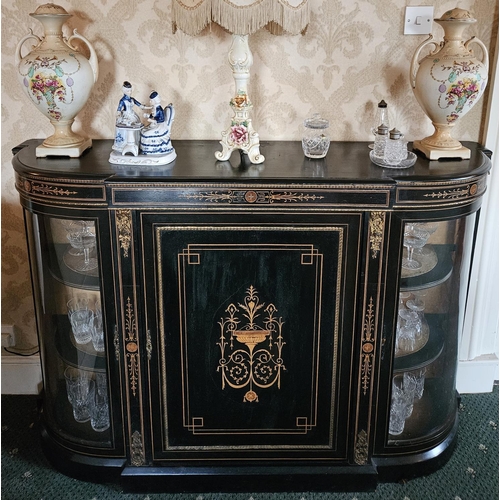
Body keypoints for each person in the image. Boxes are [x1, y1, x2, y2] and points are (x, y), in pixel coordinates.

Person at [139, 91, 175, 156]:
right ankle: (145, 148)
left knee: (146, 134)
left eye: (151, 101)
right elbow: (153, 116)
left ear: (155, 101)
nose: (150, 102)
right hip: (155, 125)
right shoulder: (154, 108)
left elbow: (159, 120)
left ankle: (150, 149)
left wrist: (151, 120)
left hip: (159, 126)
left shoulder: (158, 109)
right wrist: (147, 115)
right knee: (143, 130)